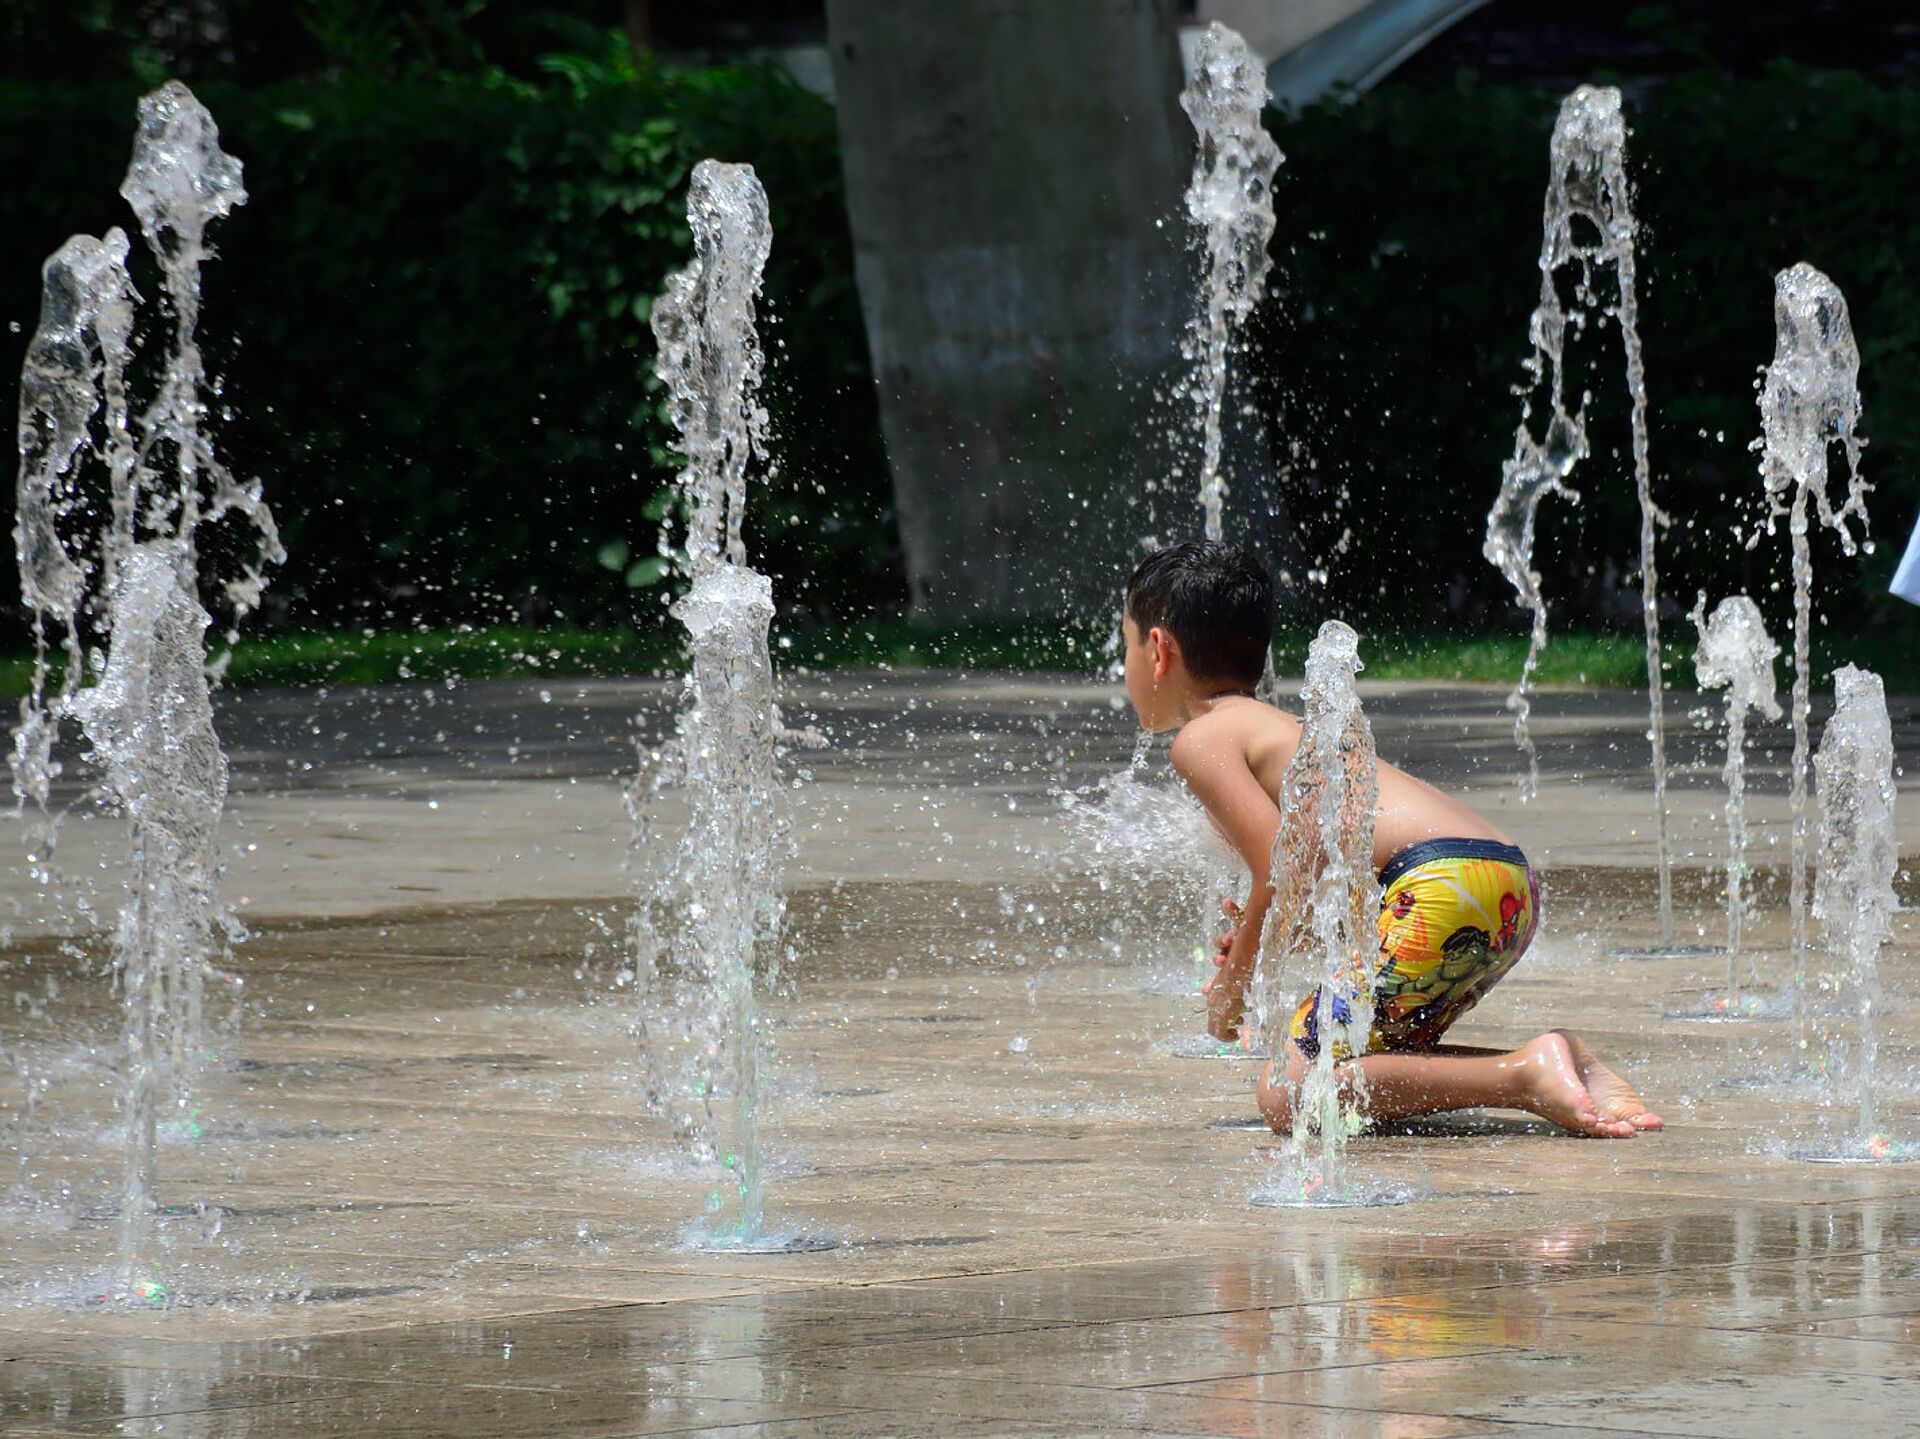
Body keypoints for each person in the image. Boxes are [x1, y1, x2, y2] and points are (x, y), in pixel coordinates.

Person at [1120, 541, 1663, 1140]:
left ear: (1159, 650)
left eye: (1126, 648)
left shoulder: (1200, 739)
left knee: (1288, 1090)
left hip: (1439, 885)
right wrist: (1284, 928)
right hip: (1502, 883)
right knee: (1344, 1059)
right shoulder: (1272, 728)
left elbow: (1282, 865)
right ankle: (1562, 1063)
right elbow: (1318, 867)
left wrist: (1234, 988)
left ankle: (1526, 1075)